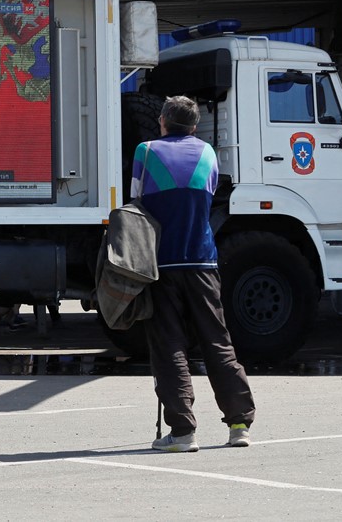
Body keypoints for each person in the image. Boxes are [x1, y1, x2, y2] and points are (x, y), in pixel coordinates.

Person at [131, 95, 255, 452]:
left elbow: (136, 202)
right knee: (218, 342)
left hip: (163, 262)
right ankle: (238, 425)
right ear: (195, 126)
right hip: (203, 260)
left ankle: (183, 433)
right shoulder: (208, 153)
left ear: (163, 121)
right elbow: (207, 194)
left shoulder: (146, 151)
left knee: (169, 345)